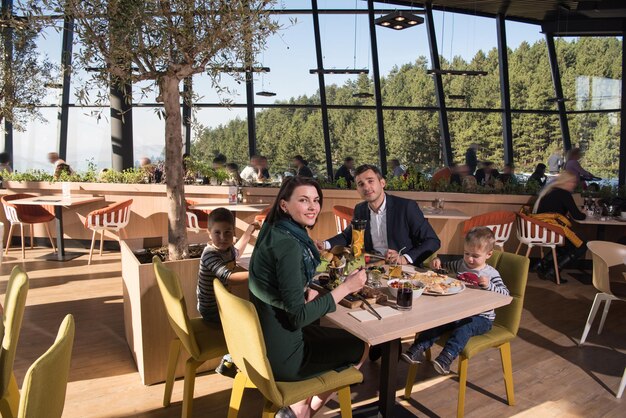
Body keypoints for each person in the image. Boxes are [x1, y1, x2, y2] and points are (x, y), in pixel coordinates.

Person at [248, 176, 368, 418]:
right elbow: (297, 318)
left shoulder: (272, 231)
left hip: (263, 342)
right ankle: (302, 411)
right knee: (361, 345)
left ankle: (300, 409)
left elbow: (277, 286)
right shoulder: (290, 245)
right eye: (303, 200)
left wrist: (302, 291)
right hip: (286, 356)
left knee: (343, 334)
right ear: (284, 205)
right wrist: (346, 287)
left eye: (316, 200)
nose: (313, 207)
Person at [401, 227, 509, 374]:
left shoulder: (491, 274)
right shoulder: (461, 264)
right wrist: (437, 262)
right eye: (466, 253)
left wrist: (489, 285)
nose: (470, 259)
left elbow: (506, 294)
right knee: (437, 321)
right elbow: (445, 265)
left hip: (481, 318)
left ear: (489, 254)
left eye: (475, 256)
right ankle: (417, 349)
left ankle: (446, 358)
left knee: (464, 329)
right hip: (458, 312)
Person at [319, 164, 440, 267]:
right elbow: (348, 236)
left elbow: (433, 241)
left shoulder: (406, 207)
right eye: (361, 184)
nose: (366, 187)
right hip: (372, 264)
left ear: (382, 183)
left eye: (370, 181)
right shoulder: (360, 209)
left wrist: (405, 258)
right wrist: (324, 244)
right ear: (358, 190)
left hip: (401, 267)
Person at [197, 208, 260, 378]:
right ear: (209, 233)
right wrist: (258, 274)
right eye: (217, 233)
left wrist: (247, 232)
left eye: (228, 232)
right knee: (250, 324)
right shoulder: (210, 255)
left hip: (223, 306)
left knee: (254, 316)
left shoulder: (227, 249)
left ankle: (234, 359)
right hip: (212, 309)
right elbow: (229, 277)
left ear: (233, 232)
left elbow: (237, 251)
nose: (223, 237)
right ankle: (230, 359)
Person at [533, 170, 587, 283]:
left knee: (566, 245)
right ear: (566, 182)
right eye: (572, 182)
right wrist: (585, 213)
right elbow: (578, 215)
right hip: (551, 230)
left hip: (541, 229)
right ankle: (553, 271)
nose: (574, 184)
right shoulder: (563, 193)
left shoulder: (549, 190)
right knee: (581, 246)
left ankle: (541, 264)